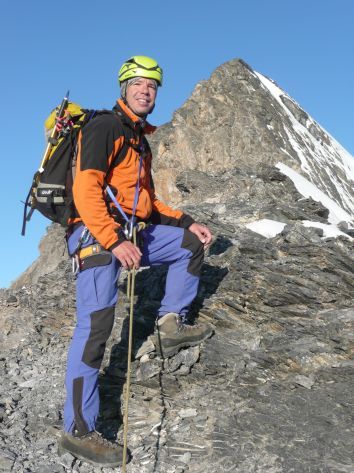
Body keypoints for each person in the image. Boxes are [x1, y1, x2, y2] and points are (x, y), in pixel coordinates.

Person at [58, 55, 213, 467]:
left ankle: (168, 324)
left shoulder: (139, 140)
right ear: (124, 87)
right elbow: (85, 188)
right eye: (139, 83)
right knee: (95, 329)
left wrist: (188, 221)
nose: (146, 90)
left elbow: (144, 202)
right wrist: (111, 240)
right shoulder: (105, 127)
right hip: (95, 235)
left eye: (153, 85)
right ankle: (77, 429)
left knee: (187, 246)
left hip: (130, 231)